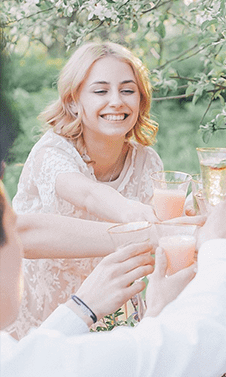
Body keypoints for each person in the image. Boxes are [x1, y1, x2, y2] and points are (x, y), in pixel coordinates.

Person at [0, 180, 226, 377]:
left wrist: (81, 308)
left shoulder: (19, 371)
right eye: (15, 230)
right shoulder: (45, 375)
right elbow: (208, 338)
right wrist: (223, 246)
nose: (22, 248)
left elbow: (34, 365)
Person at [7, 41, 166, 338]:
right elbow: (87, 194)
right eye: (100, 91)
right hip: (39, 315)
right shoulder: (52, 152)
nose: (116, 101)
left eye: (128, 90)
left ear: (141, 100)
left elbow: (162, 236)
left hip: (108, 316)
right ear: (73, 102)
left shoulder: (147, 161)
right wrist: (133, 216)